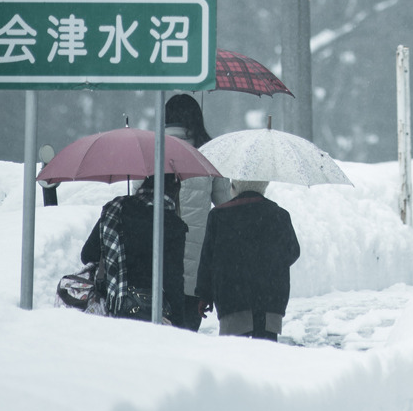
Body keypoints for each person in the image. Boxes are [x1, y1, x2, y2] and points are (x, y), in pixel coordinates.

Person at [195, 180, 300, 340]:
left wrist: (204, 295)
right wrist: (270, 266)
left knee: (234, 356)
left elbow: (208, 259)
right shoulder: (279, 214)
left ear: (235, 187)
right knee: (265, 355)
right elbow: (293, 251)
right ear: (263, 186)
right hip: (270, 299)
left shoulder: (219, 215)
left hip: (232, 297)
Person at [81, 174, 188, 322]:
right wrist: (179, 321)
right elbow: (173, 280)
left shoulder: (116, 209)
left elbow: (87, 255)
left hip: (111, 309)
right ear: (174, 191)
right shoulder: (173, 226)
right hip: (150, 311)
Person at [164, 92, 230, 331]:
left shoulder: (151, 152)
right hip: (194, 276)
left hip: (157, 268)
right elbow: (226, 206)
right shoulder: (209, 155)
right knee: (187, 339)